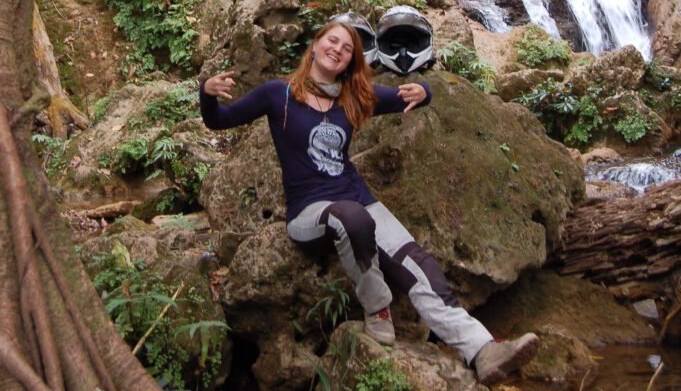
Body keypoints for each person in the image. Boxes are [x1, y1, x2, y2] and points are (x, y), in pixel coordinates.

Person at [200, 21, 539, 385]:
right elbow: (217, 120)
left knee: (418, 262)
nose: (338, 50)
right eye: (332, 41)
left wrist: (423, 91)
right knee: (352, 218)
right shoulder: (277, 94)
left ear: (350, 61)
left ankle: (483, 349)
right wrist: (206, 92)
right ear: (314, 47)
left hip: (358, 197)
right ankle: (377, 308)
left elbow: (412, 95)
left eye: (347, 49)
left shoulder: (353, 97)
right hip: (308, 211)